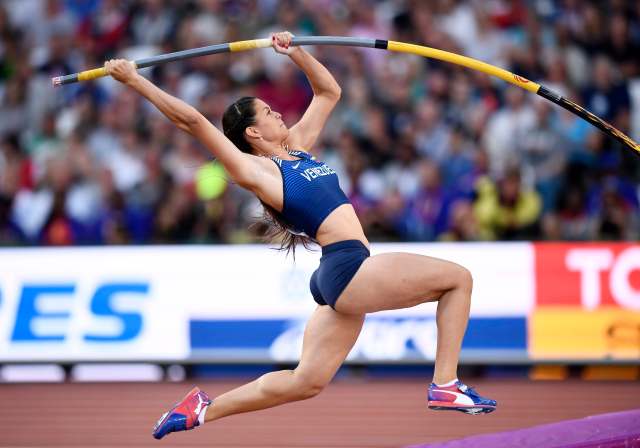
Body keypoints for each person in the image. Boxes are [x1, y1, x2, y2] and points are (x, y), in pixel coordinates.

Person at [104, 31, 496, 441]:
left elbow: (329, 92)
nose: (278, 115)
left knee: (306, 381)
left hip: (338, 272)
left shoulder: (298, 148)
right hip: (348, 267)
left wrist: (295, 53)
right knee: (458, 279)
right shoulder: (259, 172)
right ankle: (446, 384)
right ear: (253, 134)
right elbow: (192, 120)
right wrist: (134, 80)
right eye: (268, 113)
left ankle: (204, 408)